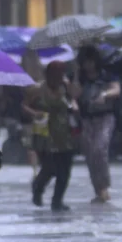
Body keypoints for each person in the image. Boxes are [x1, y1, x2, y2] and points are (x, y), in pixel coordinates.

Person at [24, 62, 80, 212]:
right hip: (45, 134)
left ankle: (57, 200)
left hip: (64, 132)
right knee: (50, 168)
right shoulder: (37, 89)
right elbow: (24, 105)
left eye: (60, 74)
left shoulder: (65, 86)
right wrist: (34, 113)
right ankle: (38, 187)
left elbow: (74, 99)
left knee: (65, 169)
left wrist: (74, 103)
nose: (58, 78)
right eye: (55, 74)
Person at [78, 46, 120, 204]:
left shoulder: (107, 74)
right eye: (85, 62)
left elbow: (116, 90)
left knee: (99, 149)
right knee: (89, 154)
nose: (88, 65)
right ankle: (98, 189)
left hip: (105, 116)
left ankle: (104, 186)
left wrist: (104, 94)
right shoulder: (81, 77)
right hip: (86, 118)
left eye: (90, 61)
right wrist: (75, 75)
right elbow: (76, 94)